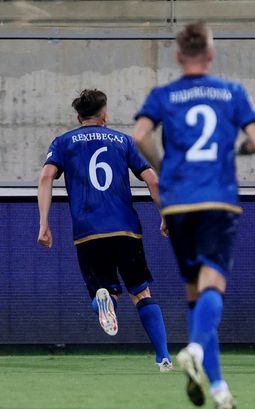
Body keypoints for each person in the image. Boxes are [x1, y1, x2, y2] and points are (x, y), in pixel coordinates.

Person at [132, 21, 255, 409]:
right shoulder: (231, 92)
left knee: (196, 295)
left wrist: (166, 167)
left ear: (178, 56)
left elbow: (140, 135)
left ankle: (220, 387)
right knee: (213, 285)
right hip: (216, 200)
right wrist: (235, 151)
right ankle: (193, 349)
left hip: (177, 204)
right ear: (210, 55)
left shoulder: (163, 94)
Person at [37, 89, 173, 372]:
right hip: (126, 229)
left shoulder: (63, 142)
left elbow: (46, 177)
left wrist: (44, 222)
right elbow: (153, 181)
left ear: (78, 117)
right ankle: (163, 358)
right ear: (104, 114)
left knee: (104, 291)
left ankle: (104, 300)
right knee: (141, 293)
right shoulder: (124, 141)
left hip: (88, 231)